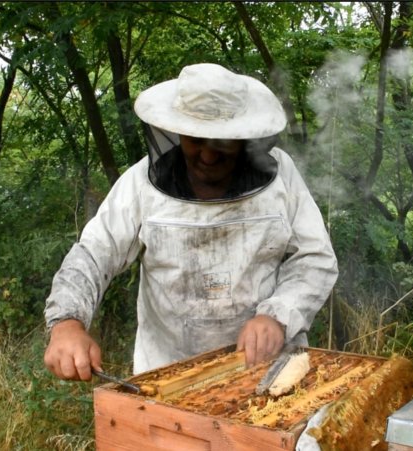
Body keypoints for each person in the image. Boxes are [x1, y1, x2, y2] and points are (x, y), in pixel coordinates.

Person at [43, 63, 338, 381]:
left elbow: (315, 257)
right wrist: (67, 323)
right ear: (177, 131)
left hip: (271, 372)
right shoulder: (140, 185)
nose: (208, 156)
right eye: (196, 139)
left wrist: (279, 315)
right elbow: (93, 253)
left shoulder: (283, 178)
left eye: (222, 142)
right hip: (170, 376)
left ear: (243, 137)